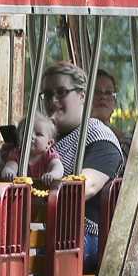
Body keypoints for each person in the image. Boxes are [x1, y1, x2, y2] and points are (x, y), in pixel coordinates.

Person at [43, 64, 125, 195]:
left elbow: (84, 189)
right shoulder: (41, 138)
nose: (53, 100)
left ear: (82, 96)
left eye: (61, 92)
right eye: (47, 95)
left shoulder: (99, 138)